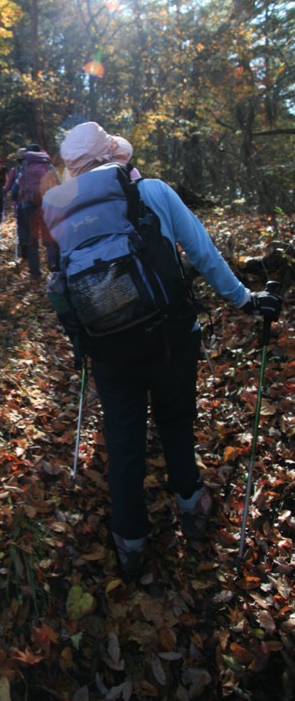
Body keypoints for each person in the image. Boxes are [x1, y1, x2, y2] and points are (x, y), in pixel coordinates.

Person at [42, 121, 283, 574]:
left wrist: (80, 344)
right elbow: (204, 253)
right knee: (175, 422)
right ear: (113, 155)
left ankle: (130, 541)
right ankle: (190, 505)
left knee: (125, 440)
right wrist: (245, 301)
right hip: (171, 338)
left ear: (73, 169)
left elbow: (61, 288)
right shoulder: (150, 191)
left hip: (108, 349)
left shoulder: (59, 210)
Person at [13, 144, 60, 280]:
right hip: (47, 205)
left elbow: (15, 190)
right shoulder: (47, 165)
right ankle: (54, 267)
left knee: (32, 240)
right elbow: (59, 183)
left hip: (28, 206)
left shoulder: (24, 167)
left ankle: (35, 272)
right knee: (49, 238)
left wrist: (16, 196)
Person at [4, 148, 27, 258]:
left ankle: (23, 244)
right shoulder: (33, 169)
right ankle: (31, 244)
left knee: (21, 225)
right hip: (34, 202)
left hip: (19, 202)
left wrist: (3, 189)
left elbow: (8, 187)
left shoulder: (15, 170)